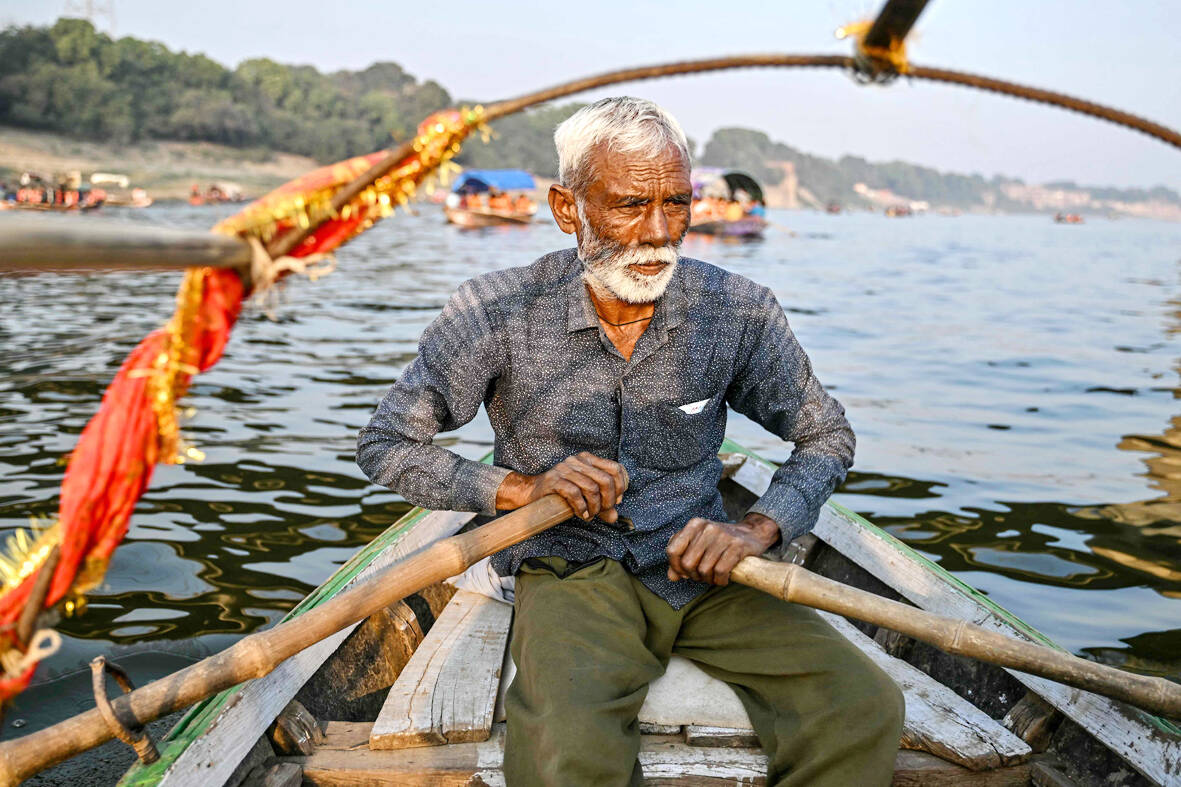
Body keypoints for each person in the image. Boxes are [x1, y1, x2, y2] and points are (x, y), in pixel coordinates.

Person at [357, 96, 903, 786]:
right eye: (626, 206)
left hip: (706, 568)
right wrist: (522, 488)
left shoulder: (737, 308)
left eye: (675, 204)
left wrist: (758, 528)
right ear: (566, 208)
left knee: (862, 705)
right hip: (568, 566)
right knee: (565, 749)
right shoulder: (495, 309)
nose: (656, 233)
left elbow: (825, 434)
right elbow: (385, 443)